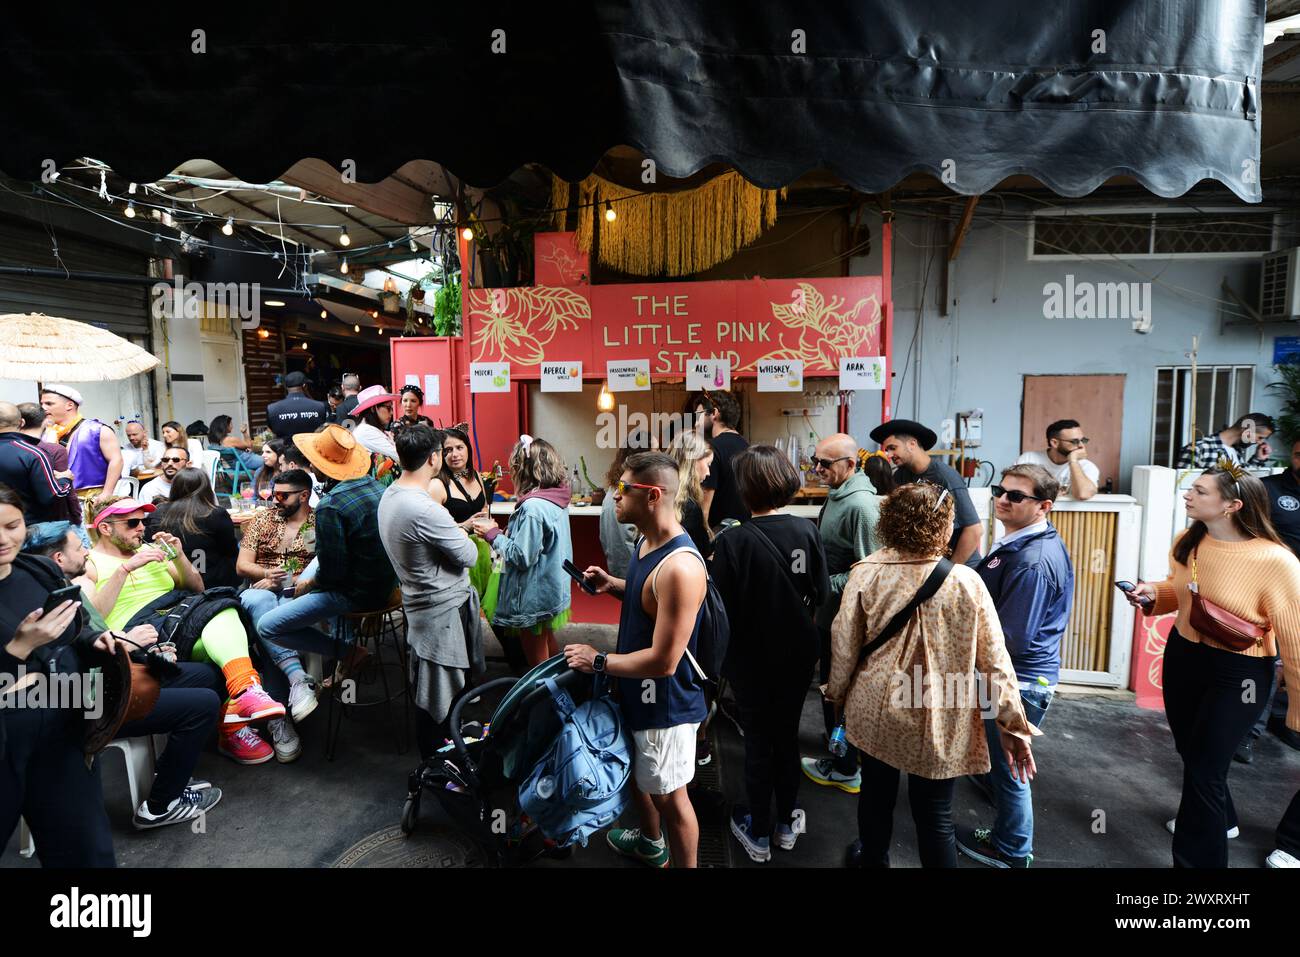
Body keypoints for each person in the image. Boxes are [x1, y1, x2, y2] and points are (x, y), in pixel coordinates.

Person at [829, 482, 1037, 868]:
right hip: (941, 709)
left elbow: (844, 643)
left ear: (889, 522)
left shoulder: (866, 572)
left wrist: (837, 691)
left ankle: (872, 859)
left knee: (876, 796)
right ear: (943, 526)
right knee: (935, 815)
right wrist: (1013, 725)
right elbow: (994, 661)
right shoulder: (966, 582)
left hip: (876, 706)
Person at [1122, 463, 1300, 868]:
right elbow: (1185, 593)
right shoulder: (1190, 540)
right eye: (1191, 489)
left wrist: (1297, 710)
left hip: (1239, 672)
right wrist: (1154, 594)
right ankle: (1221, 820)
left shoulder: (1277, 561)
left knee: (1205, 769)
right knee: (1193, 754)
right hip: (1184, 654)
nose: (1188, 495)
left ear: (1232, 506)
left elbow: (1295, 638)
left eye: (1200, 492)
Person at [22, 521, 224, 829]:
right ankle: (160, 806)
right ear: (58, 559)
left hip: (109, 682)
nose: (87, 553)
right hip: (94, 707)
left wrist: (127, 644)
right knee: (204, 703)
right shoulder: (45, 606)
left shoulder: (61, 590)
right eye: (80, 548)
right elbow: (69, 666)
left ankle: (169, 773)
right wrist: (125, 645)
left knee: (207, 675)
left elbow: (88, 638)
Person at [564, 451, 709, 868]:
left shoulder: (681, 567)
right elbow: (649, 597)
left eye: (624, 489)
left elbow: (665, 661)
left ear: (653, 496)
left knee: (670, 797)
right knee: (642, 780)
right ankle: (649, 842)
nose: (614, 497)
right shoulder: (647, 542)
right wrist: (614, 585)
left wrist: (598, 661)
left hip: (665, 705)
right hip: (637, 693)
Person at [80, 497, 284, 765]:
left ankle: (244, 694)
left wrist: (179, 556)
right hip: (141, 633)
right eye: (132, 523)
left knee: (220, 609)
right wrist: (124, 570)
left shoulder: (153, 550)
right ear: (105, 528)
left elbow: (196, 588)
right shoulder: (90, 562)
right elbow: (93, 617)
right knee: (221, 617)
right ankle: (236, 717)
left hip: (177, 618)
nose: (142, 528)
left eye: (144, 521)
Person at [711, 446, 829, 862]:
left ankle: (757, 831)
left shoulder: (732, 541)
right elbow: (822, 593)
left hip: (750, 659)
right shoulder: (807, 532)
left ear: (744, 489)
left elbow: (719, 609)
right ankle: (784, 825)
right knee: (787, 735)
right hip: (797, 653)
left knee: (758, 741)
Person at [956, 464, 1073, 868]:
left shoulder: (1032, 561)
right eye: (1000, 490)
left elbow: (1011, 639)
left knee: (1010, 768)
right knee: (1003, 764)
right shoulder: (1021, 544)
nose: (1003, 499)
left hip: (1017, 681)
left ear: (1044, 506)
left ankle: (1012, 849)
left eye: (1016, 496)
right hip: (1013, 678)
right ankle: (1009, 835)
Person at [0, 484, 116, 865]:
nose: (3, 540)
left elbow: (74, 626)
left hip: (58, 721)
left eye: (12, 526)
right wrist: (18, 649)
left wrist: (94, 639)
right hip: (8, 730)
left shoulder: (37, 569)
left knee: (84, 848)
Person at [255, 425, 397, 690]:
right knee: (311, 578)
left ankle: (348, 653)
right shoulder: (376, 486)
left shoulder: (331, 506)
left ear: (319, 466)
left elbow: (333, 574)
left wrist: (308, 585)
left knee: (268, 626)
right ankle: (343, 655)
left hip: (359, 593)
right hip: (387, 582)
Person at [379, 426, 482, 758]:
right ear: (434, 458)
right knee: (439, 693)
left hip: (418, 602)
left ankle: (443, 754)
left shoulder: (391, 495)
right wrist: (459, 533)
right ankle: (440, 767)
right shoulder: (426, 509)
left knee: (434, 687)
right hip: (440, 611)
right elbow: (469, 555)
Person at [800, 435, 886, 794]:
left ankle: (845, 765)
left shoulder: (862, 507)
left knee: (839, 689)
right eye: (815, 462)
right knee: (831, 688)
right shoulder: (839, 495)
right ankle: (842, 749)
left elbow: (872, 570)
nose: (817, 470)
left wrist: (821, 582)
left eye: (825, 464)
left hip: (844, 618)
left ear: (850, 466)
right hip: (828, 612)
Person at [469, 437, 573, 669]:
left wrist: (493, 534)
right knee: (548, 644)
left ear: (523, 470)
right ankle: (565, 687)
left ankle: (547, 701)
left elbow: (522, 556)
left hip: (533, 596)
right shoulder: (556, 498)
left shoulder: (532, 508)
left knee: (537, 664)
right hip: (550, 589)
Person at [237, 467, 318, 762]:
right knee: (261, 605)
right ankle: (298, 679)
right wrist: (267, 573)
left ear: (304, 495)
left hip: (299, 596)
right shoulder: (264, 519)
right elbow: (242, 564)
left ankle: (277, 719)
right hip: (260, 589)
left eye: (283, 496)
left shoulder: (319, 523)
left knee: (271, 626)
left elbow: (327, 567)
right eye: (273, 494)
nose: (275, 500)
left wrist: (299, 582)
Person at [872, 418, 983, 565]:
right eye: (887, 450)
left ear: (912, 444)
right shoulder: (900, 476)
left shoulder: (945, 477)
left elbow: (974, 530)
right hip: (929, 566)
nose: (889, 454)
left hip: (958, 566)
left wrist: (949, 572)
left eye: (893, 448)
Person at [147, 468, 240, 589]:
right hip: (211, 580)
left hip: (170, 578)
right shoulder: (215, 513)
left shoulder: (157, 513)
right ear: (206, 488)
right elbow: (230, 550)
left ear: (174, 488)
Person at [40, 384, 123, 497]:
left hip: (93, 499)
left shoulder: (97, 430)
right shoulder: (45, 434)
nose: (43, 408)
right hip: (58, 499)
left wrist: (107, 493)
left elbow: (116, 460)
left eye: (49, 403)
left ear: (69, 405)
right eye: (42, 404)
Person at [0, 401, 74, 524]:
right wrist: (66, 479)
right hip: (28, 528)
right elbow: (53, 495)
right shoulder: (33, 453)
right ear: (21, 423)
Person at [15, 402, 83, 530]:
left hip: (18, 520)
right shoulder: (53, 450)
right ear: (45, 421)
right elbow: (64, 495)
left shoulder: (11, 450)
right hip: (52, 522)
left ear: (20, 422)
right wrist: (76, 517)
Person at [695, 391, 750, 528]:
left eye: (698, 416)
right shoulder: (749, 447)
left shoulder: (711, 450)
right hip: (746, 533)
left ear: (714, 413)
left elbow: (704, 510)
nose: (696, 423)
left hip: (720, 537)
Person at [1014, 418, 1100, 500]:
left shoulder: (1087, 466)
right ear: (1054, 443)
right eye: (1074, 441)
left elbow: (1083, 494)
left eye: (1083, 440)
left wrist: (1073, 461)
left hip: (1068, 515)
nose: (1081, 446)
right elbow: (1013, 489)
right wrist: (1049, 494)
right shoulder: (1028, 459)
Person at [599, 441, 645, 577]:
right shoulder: (624, 489)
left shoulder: (615, 487)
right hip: (632, 569)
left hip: (619, 567)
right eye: (655, 450)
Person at [429, 424, 489, 528]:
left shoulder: (476, 475)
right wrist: (464, 526)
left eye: (459, 447)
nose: (455, 454)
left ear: (468, 449)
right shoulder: (436, 485)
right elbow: (431, 528)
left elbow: (484, 508)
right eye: (449, 450)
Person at [667, 430, 714, 556]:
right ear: (693, 462)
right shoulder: (689, 507)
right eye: (708, 464)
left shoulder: (660, 497)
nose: (708, 472)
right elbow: (701, 553)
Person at [1176, 412, 1276, 470]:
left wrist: (1258, 458)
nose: (1259, 442)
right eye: (1260, 437)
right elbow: (1181, 484)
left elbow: (1242, 479)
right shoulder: (1199, 448)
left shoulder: (1235, 451)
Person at [266, 370, 331, 439]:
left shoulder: (272, 409)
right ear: (305, 386)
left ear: (286, 387)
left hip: (284, 448)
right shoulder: (320, 407)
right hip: (309, 448)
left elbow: (272, 432)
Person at [348, 385, 400, 463]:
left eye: (391, 409)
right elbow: (399, 456)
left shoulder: (373, 429)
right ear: (373, 408)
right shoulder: (365, 431)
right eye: (388, 408)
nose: (392, 412)